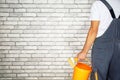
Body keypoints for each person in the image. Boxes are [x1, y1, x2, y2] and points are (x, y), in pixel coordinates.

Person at [76, 0, 120, 80]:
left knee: (98, 76)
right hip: (118, 49)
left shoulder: (98, 4)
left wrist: (84, 52)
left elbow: (93, 30)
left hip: (102, 49)